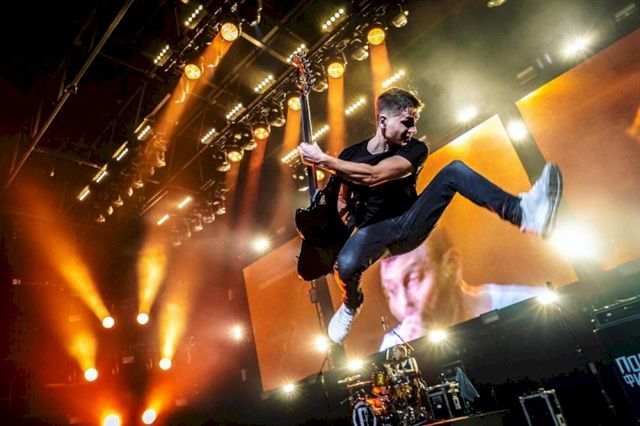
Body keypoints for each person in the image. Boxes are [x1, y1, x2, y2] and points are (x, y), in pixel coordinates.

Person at [298, 87, 562, 345]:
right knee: (345, 265)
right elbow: (343, 200)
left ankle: (524, 213)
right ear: (383, 121)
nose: (412, 129)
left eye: (414, 122)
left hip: (410, 222)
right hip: (374, 231)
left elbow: (375, 175)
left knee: (454, 171)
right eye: (407, 122)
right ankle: (350, 304)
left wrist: (323, 160)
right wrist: (331, 235)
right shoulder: (351, 155)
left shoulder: (414, 149)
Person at [378, 227, 548, 351]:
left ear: (451, 267)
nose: (404, 303)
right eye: (391, 291)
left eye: (413, 280)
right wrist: (416, 358)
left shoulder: (527, 308)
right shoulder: (394, 347)